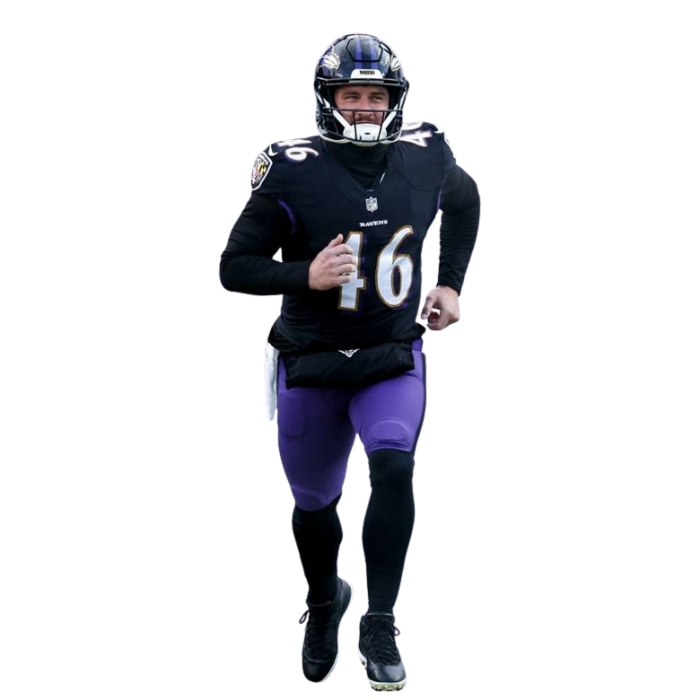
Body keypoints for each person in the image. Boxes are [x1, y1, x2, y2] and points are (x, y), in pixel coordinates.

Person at [219, 32, 480, 691]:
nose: (364, 107)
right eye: (351, 94)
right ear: (327, 99)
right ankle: (322, 604)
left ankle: (381, 621)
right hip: (311, 361)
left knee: (394, 466)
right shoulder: (292, 166)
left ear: (395, 100)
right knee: (314, 505)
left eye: (375, 95)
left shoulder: (425, 150)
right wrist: (303, 274)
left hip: (392, 353)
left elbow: (465, 199)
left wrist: (450, 283)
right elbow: (233, 267)